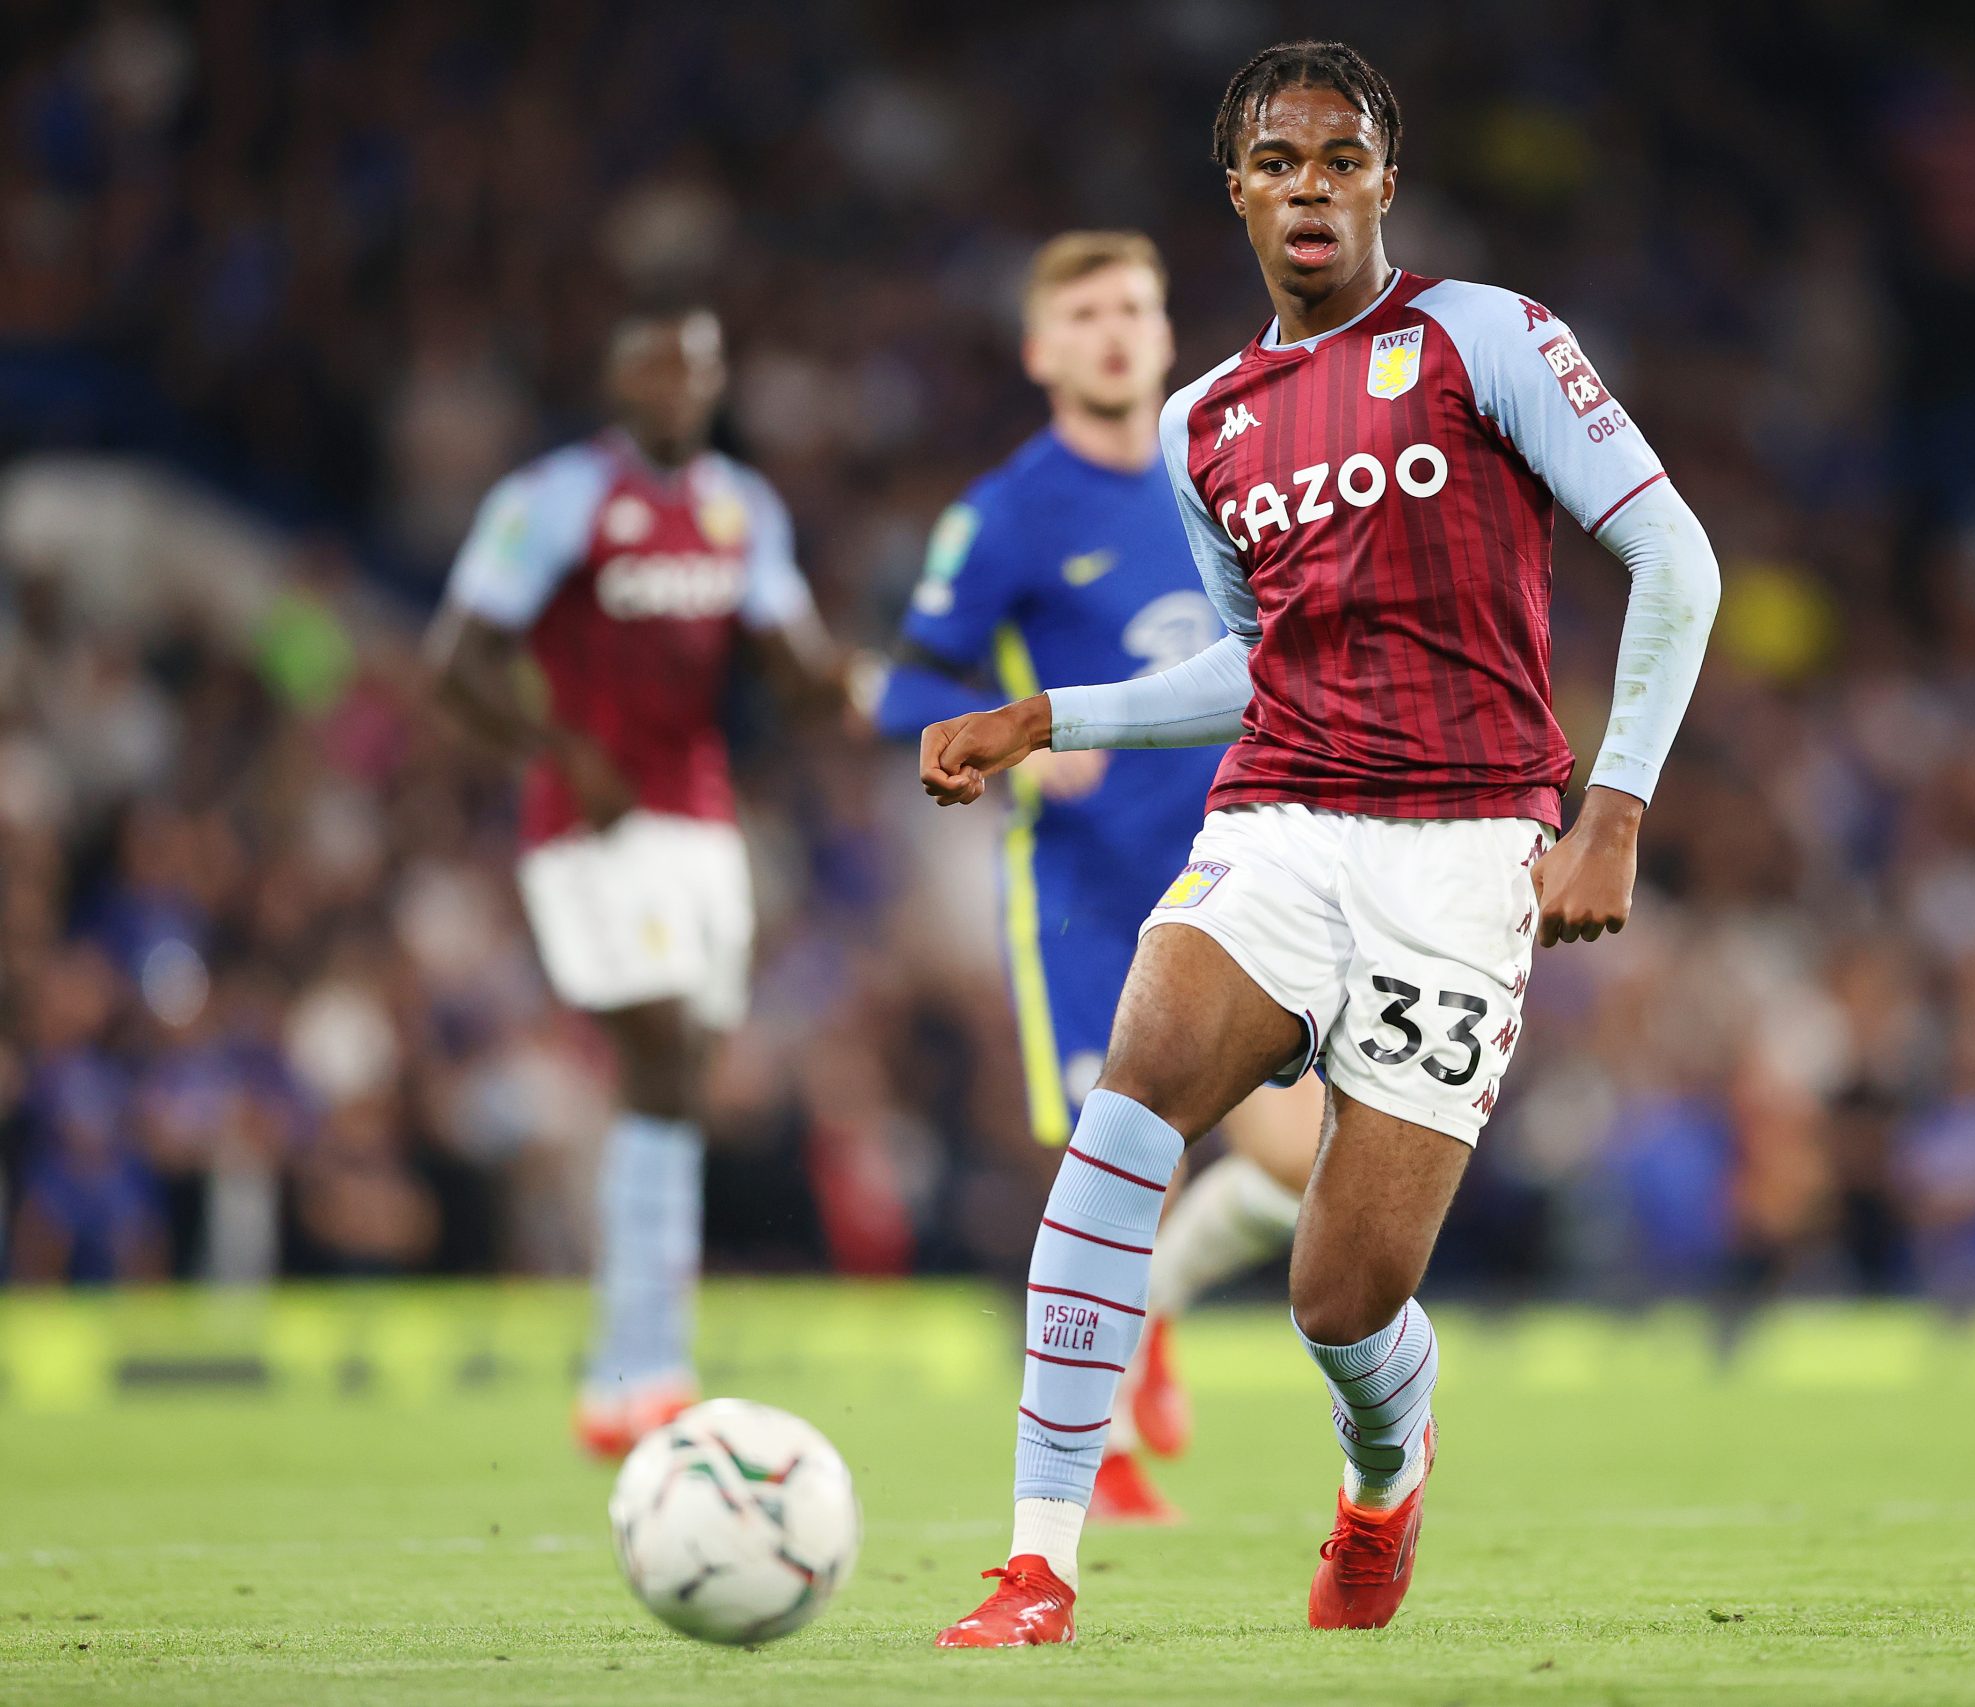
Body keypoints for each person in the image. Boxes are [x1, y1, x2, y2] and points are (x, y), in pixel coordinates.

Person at [923, 40, 1719, 1645]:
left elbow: (1674, 556)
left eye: (1339, 159)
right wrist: (1051, 716)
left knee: (1342, 1298)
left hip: (1470, 849)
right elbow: (1260, 666)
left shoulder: (1485, 339)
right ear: (1238, 190)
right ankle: (1038, 1564)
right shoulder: (1205, 420)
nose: (1310, 186)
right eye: (1279, 161)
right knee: (1130, 1090)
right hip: (1283, 815)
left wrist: (1613, 809)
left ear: (1381, 182)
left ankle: (1383, 1476)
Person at [871, 231, 1324, 1522]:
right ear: (1041, 350)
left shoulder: (1228, 469)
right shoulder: (1008, 510)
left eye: (1136, 305)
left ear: (1170, 330)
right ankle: (1096, 1440)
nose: (1117, 329)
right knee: (1128, 1166)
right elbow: (911, 676)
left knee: (1302, 1162)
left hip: (1247, 865)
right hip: (1088, 896)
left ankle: (1150, 1325)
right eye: (1087, 312)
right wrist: (1023, 746)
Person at [427, 303, 850, 1458]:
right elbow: (455, 662)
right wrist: (559, 749)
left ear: (717, 380)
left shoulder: (740, 509)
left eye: (696, 367)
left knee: (684, 1076)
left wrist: (863, 679)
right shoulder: (554, 499)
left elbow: (793, 664)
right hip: (588, 823)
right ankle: (641, 1366)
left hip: (702, 827)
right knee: (659, 1047)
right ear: (617, 378)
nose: (677, 385)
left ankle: (634, 1367)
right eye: (656, 365)